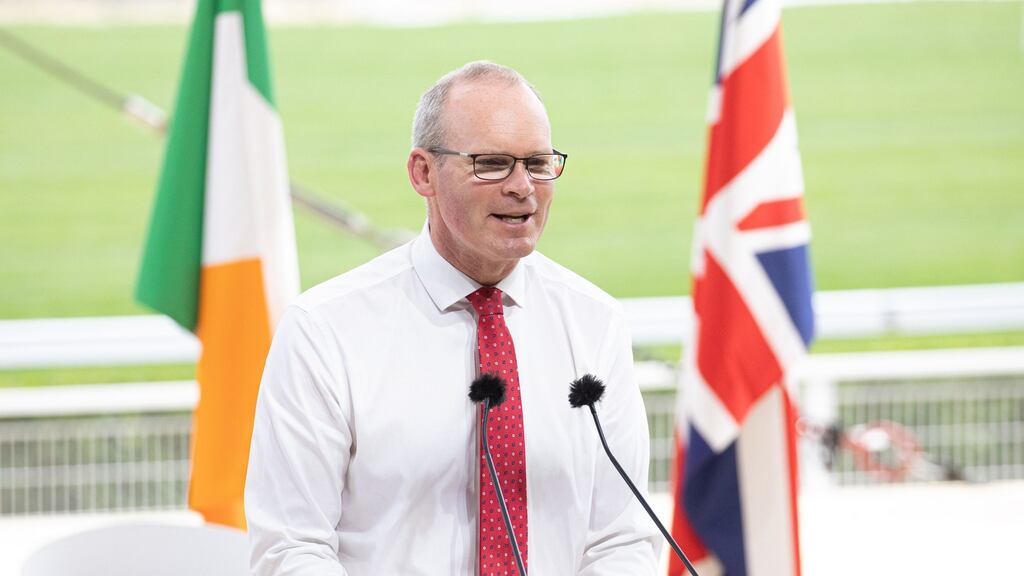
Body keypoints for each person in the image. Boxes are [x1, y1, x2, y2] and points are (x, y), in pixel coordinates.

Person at [245, 60, 659, 575]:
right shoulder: (325, 330)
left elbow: (622, 540)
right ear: (423, 173)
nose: (522, 187)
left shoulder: (594, 322)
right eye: (491, 163)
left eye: (537, 162)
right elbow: (291, 549)